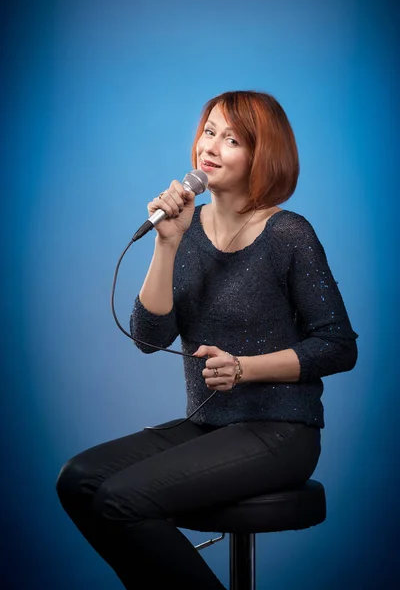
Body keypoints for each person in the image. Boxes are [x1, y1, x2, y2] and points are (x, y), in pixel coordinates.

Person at [56, 90, 358, 589]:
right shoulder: (186, 229)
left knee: (121, 499)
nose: (211, 146)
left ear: (262, 155)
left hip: (280, 431)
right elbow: (148, 338)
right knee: (79, 480)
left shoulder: (289, 234)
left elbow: (338, 345)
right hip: (210, 426)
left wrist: (245, 367)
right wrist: (167, 243)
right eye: (209, 131)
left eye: (232, 139)